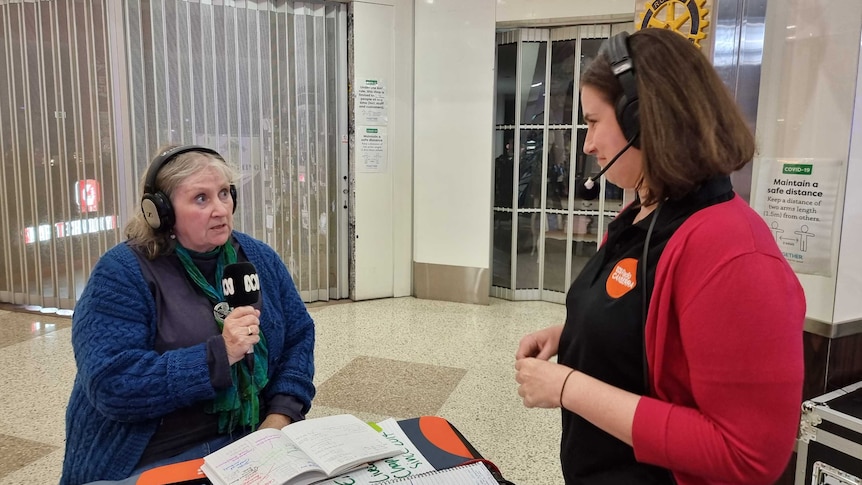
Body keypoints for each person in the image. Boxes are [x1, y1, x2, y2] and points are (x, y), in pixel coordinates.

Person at [514, 28, 805, 485]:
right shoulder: (644, 214)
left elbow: (747, 456)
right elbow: (649, 324)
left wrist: (568, 387)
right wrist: (576, 332)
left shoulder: (734, 254)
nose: (588, 145)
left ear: (642, 122)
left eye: (593, 122)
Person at [61, 145, 315, 484]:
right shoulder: (122, 273)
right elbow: (111, 384)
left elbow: (299, 336)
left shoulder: (257, 258)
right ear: (161, 212)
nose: (220, 209)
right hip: (155, 455)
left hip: (251, 438)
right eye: (201, 199)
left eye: (224, 193)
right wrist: (218, 356)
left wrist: (278, 420)